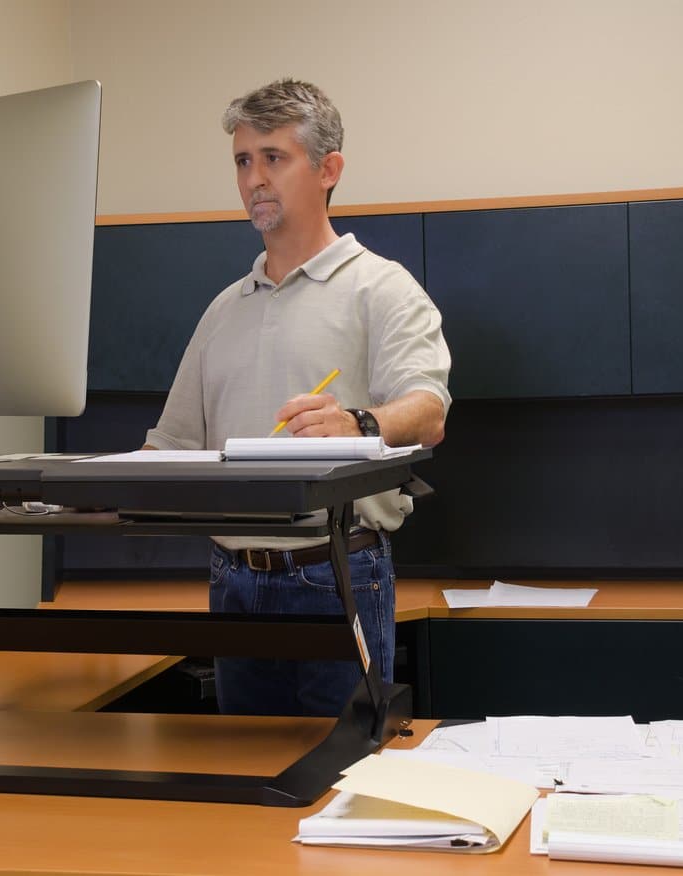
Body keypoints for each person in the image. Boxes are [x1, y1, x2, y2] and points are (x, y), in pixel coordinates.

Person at [145, 78, 451, 717]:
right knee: (246, 778)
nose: (254, 178)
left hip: (333, 573)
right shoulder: (223, 309)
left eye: (273, 158)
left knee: (340, 784)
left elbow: (429, 412)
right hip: (232, 581)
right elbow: (168, 445)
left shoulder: (383, 289)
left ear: (328, 169)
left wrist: (358, 422)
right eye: (242, 160)